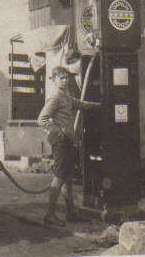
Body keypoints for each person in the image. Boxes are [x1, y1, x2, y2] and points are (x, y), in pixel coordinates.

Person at [37, 66, 101, 227]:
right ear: (54, 79)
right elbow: (42, 119)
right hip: (61, 142)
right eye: (61, 78)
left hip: (67, 141)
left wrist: (101, 105)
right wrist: (59, 132)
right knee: (59, 178)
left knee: (67, 178)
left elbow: (81, 104)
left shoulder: (66, 96)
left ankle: (71, 212)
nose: (65, 80)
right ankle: (49, 215)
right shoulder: (56, 98)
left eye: (66, 78)